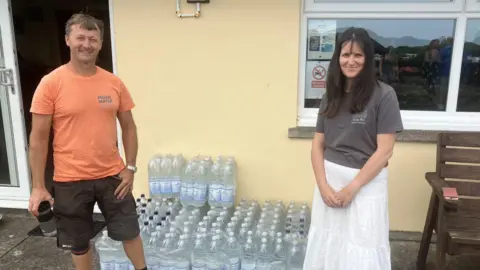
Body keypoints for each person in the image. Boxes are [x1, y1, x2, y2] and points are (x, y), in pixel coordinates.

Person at [27, 13, 148, 270]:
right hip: (70, 180)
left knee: (130, 231)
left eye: (93, 38)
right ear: (68, 40)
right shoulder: (51, 84)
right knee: (78, 242)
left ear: (101, 43)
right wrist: (38, 186)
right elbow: (38, 138)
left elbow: (129, 126)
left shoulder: (113, 82)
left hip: (113, 177)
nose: (86, 44)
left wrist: (131, 167)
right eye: (80, 37)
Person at [303, 27, 403, 270]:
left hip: (366, 183)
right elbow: (318, 143)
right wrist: (323, 185)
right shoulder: (331, 95)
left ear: (368, 59)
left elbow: (385, 151)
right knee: (328, 242)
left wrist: (352, 188)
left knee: (363, 246)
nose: (351, 61)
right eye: (345, 54)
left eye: (358, 55)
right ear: (337, 58)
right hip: (330, 180)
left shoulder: (384, 95)